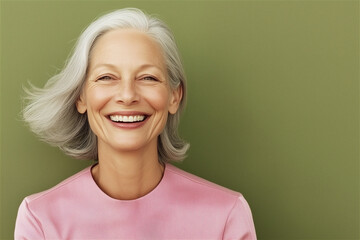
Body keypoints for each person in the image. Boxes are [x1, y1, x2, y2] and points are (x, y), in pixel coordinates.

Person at [15, 8, 257, 240]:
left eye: (148, 78)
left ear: (174, 96)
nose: (128, 95)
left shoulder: (227, 215)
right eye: (106, 77)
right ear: (81, 97)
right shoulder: (39, 219)